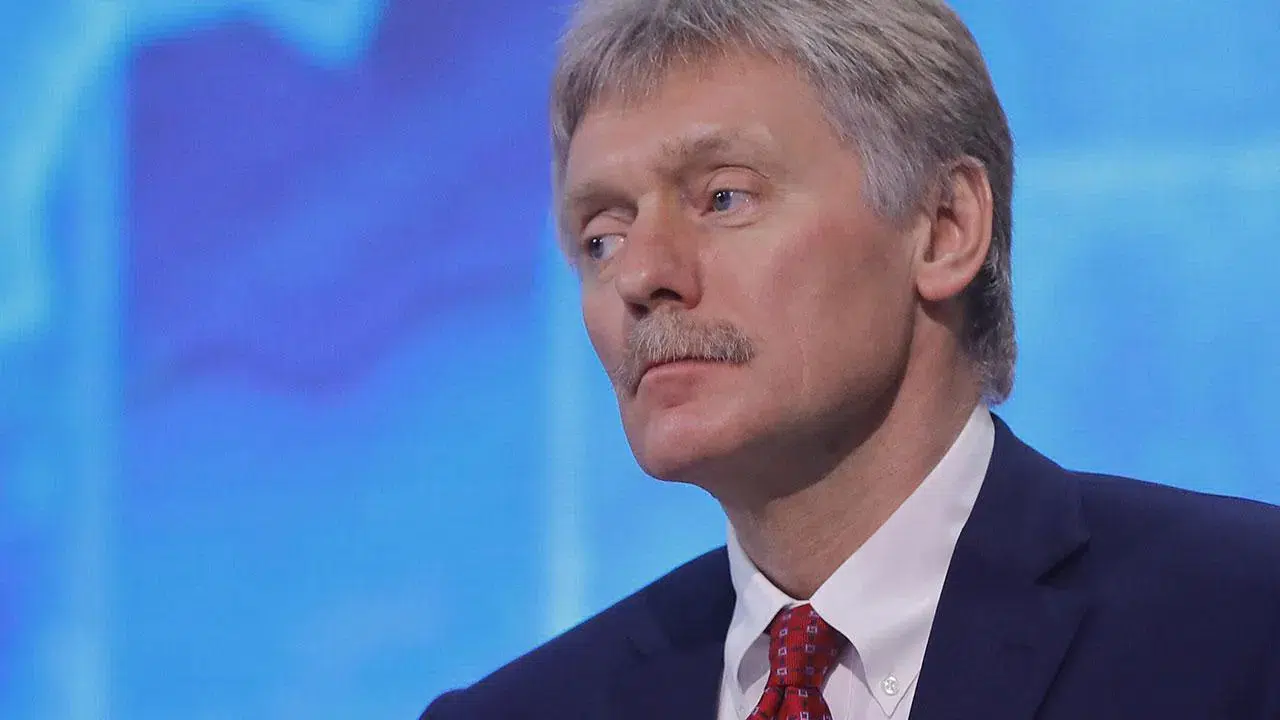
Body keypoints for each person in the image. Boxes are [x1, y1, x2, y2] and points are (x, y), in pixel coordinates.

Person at [421, 0, 1280, 717]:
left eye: (723, 197)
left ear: (944, 228)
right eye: (602, 238)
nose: (642, 276)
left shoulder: (1242, 623)